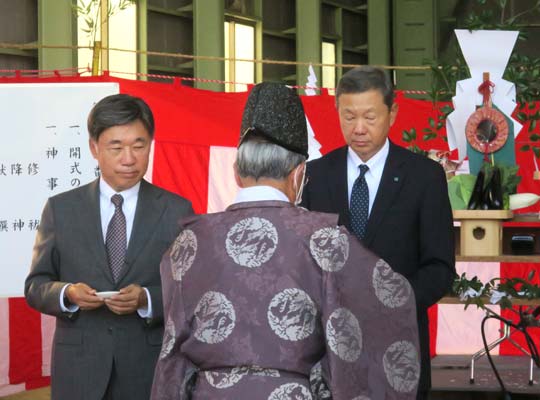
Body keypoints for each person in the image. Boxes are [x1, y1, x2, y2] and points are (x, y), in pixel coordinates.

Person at [151, 82, 420, 400]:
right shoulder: (326, 242)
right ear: (299, 174)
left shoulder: (189, 242)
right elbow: (393, 302)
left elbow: (173, 348)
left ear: (237, 172)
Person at [300, 66, 456, 400]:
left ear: (393, 113)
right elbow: (303, 260)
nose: (358, 129)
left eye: (370, 117)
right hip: (330, 353)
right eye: (348, 116)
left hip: (400, 346)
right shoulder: (315, 176)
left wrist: (389, 302)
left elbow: (439, 268)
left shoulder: (424, 177)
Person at [25, 94, 193, 400]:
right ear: (94, 148)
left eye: (139, 146)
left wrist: (147, 299)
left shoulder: (177, 210)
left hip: (148, 369)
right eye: (116, 147)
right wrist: (68, 294)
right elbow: (36, 286)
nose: (128, 158)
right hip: (79, 370)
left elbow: (191, 290)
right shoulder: (61, 209)